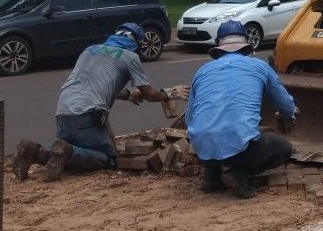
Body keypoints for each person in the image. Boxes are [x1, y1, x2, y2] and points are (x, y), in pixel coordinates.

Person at [12, 23, 187, 182]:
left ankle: (35, 151)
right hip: (88, 115)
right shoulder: (130, 56)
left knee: (69, 149)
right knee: (108, 158)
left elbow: (94, 84)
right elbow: (149, 94)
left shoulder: (90, 50)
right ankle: (67, 152)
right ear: (137, 44)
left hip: (63, 111)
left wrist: (127, 95)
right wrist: (170, 93)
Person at [185, 21, 297, 199]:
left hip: (202, 147)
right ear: (246, 45)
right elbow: (285, 105)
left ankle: (212, 177)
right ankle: (238, 173)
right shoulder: (260, 66)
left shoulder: (202, 70)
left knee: (216, 135)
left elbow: (189, 118)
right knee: (284, 149)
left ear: (218, 46)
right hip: (241, 150)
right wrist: (288, 116)